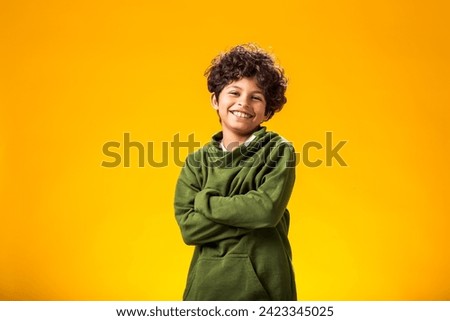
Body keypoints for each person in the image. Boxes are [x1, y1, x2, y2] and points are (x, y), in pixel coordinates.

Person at [174, 43, 297, 300]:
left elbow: (265, 211)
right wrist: (248, 216)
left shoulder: (278, 151)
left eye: (256, 96)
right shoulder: (195, 164)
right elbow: (190, 230)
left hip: (266, 285)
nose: (244, 103)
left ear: (268, 110)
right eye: (234, 92)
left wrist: (206, 202)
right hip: (206, 287)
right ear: (215, 100)